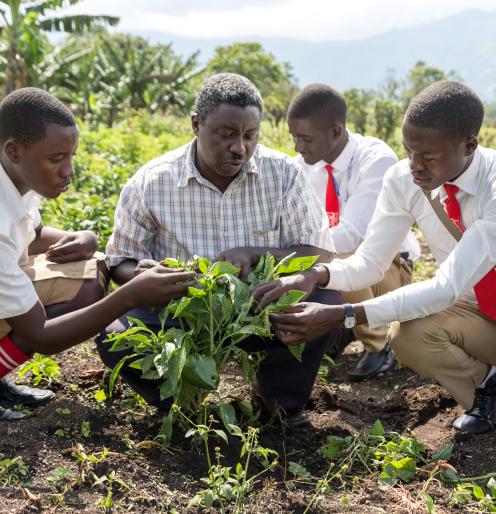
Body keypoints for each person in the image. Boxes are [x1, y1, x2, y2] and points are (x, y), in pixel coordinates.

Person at [97, 72, 341, 425]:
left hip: (260, 312)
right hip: (182, 314)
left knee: (326, 304)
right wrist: (147, 275)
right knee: (114, 334)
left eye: (250, 136)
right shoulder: (152, 181)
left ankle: (279, 403)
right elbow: (121, 259)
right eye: (226, 134)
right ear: (196, 124)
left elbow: (319, 251)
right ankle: (177, 404)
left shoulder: (284, 174)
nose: (239, 147)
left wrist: (256, 254)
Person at [254, 81, 496, 434]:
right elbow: (370, 261)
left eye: (428, 157)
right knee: (410, 335)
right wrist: (316, 275)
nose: (414, 165)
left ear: (469, 145)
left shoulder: (492, 185)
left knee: (423, 312)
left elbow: (445, 287)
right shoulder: (404, 179)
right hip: (475, 306)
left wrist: (341, 315)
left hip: (464, 294)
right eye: (409, 151)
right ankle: (485, 395)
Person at [0, 87, 195, 422]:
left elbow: (30, 234)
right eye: (56, 159)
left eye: (71, 156)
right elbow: (40, 336)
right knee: (39, 320)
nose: (69, 171)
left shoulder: (16, 180)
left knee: (90, 273)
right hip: (34, 327)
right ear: (14, 151)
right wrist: (129, 295)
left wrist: (87, 238)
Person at [286, 84, 420, 379]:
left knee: (334, 256)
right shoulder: (304, 166)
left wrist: (293, 253)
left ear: (335, 132)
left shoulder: (375, 159)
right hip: (345, 268)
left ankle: (379, 344)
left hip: (389, 268)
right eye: (294, 137)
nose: (298, 147)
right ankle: (340, 330)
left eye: (304, 138)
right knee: (313, 258)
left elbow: (352, 236)